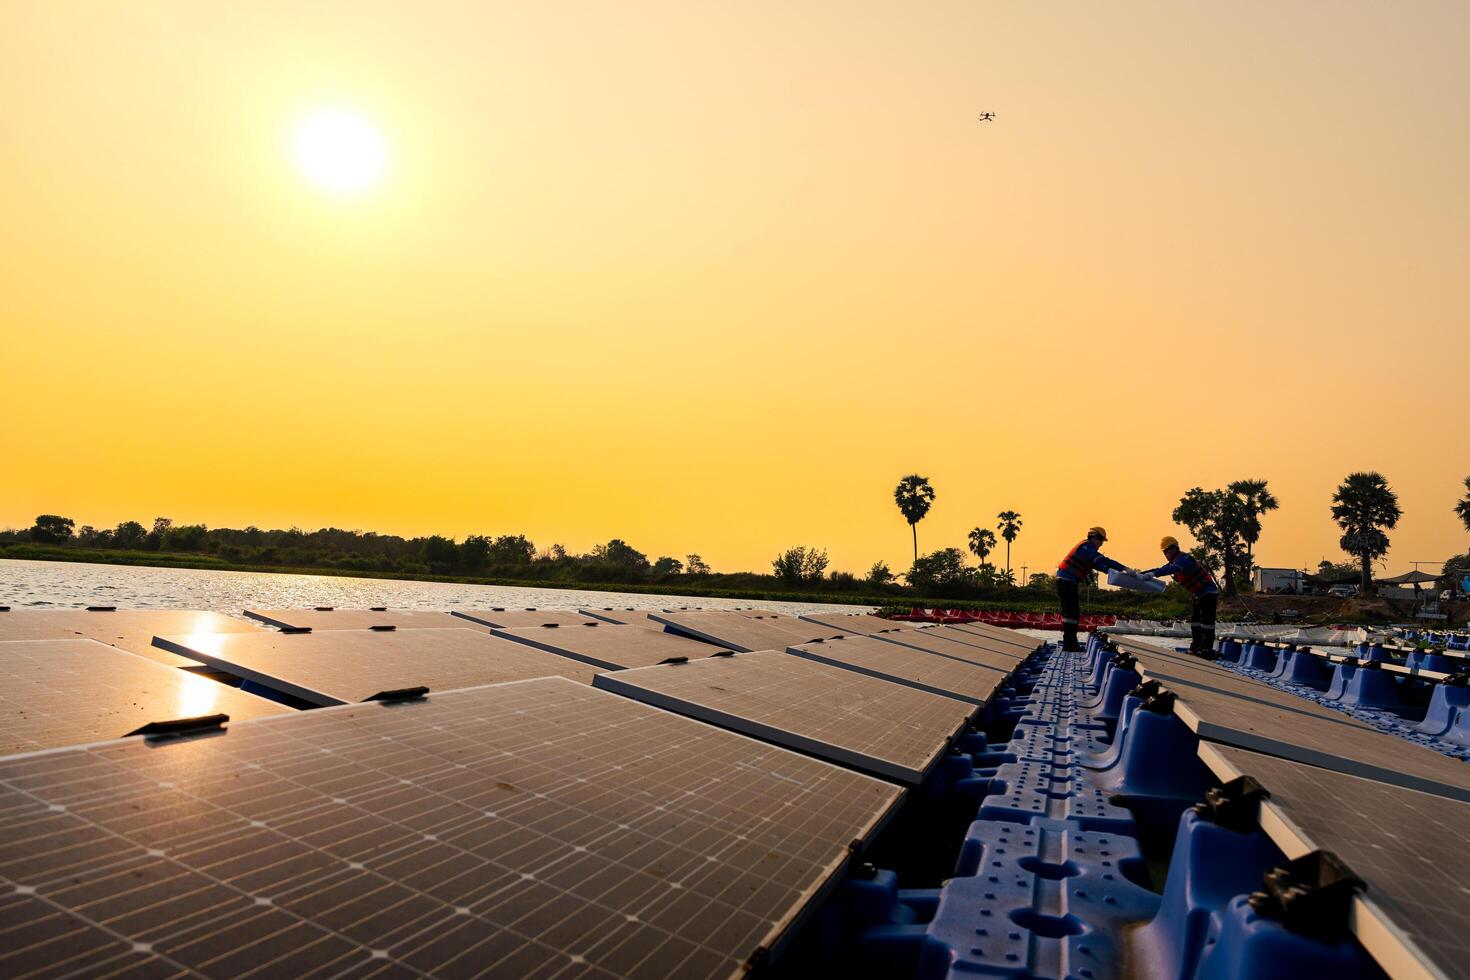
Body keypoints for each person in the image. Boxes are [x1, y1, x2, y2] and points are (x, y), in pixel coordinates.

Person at [1139, 536, 1220, 656]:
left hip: (1208, 593)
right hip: (1198, 594)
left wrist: (1153, 574)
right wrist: (1140, 574)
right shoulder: (1173, 562)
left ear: (1174, 548)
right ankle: (1196, 647)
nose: (1165, 554)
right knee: (1195, 622)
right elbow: (1160, 569)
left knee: (1206, 623)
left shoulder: (1184, 559)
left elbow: (1173, 569)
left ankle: (1206, 650)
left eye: (1166, 551)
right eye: (1164, 552)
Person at [1055, 526, 1128, 652]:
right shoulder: (1086, 547)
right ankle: (1070, 645)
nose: (1101, 544)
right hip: (1066, 582)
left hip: (1067, 582)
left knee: (1072, 614)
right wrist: (1124, 568)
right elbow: (1104, 560)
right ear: (1094, 537)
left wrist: (1115, 572)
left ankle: (1070, 643)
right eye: (1100, 541)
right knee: (1071, 614)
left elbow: (1101, 566)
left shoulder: (1088, 551)